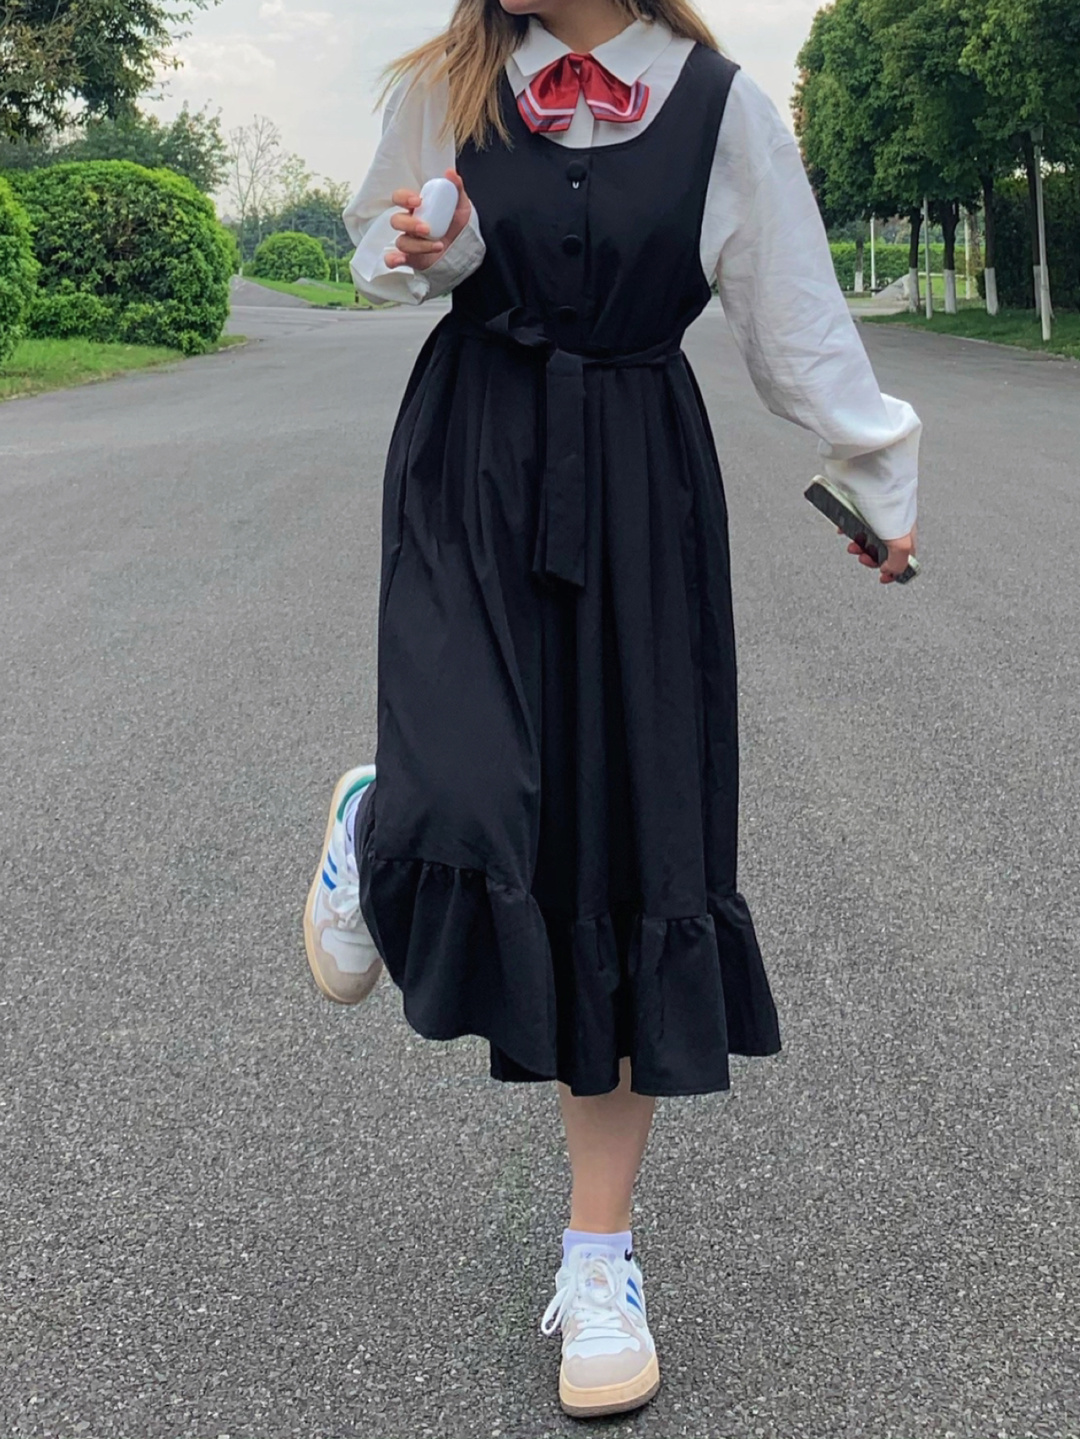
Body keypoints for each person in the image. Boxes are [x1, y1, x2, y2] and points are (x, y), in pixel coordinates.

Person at [303, 0, 921, 1419]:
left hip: (639, 480)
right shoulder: (450, 85)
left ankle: (598, 1261)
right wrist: (433, 251)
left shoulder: (720, 107)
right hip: (471, 463)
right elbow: (375, 247)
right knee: (464, 774)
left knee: (629, 865)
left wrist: (877, 475)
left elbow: (796, 316)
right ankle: (382, 824)